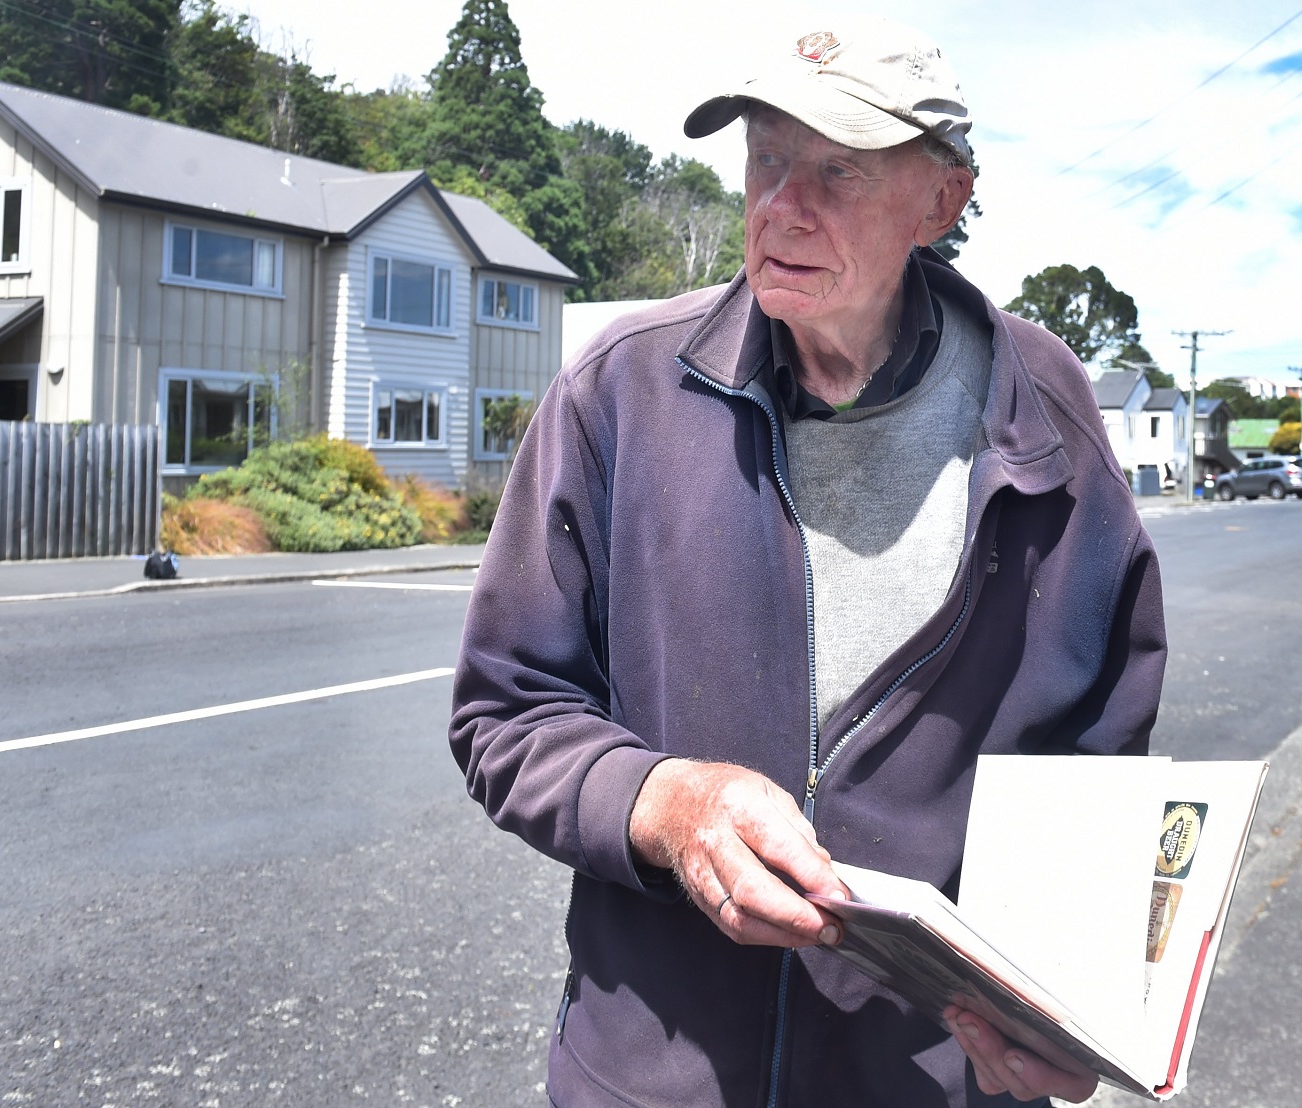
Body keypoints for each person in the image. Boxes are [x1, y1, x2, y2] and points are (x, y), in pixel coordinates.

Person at [450, 16, 1166, 1107]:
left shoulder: (1045, 412)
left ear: (941, 201)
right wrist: (662, 800)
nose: (781, 205)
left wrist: (1065, 1008)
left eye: (836, 169)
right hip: (652, 1080)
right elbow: (506, 708)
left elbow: (1099, 761)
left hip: (930, 1085)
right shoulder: (621, 391)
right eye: (766, 159)